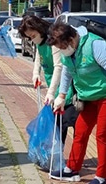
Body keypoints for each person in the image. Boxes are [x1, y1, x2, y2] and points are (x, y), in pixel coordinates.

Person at [47, 22, 106, 184]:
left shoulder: (94, 45)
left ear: (71, 39)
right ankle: (72, 169)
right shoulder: (67, 52)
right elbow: (67, 72)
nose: (62, 50)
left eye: (62, 46)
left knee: (103, 134)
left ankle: (102, 178)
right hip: (89, 96)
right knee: (81, 131)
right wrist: (61, 96)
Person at [18, 15, 77, 145]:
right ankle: (57, 151)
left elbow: (59, 67)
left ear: (39, 29)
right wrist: (36, 74)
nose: (32, 40)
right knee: (57, 119)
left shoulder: (53, 41)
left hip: (64, 83)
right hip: (52, 81)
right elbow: (38, 56)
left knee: (64, 119)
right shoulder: (40, 43)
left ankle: (67, 152)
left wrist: (51, 93)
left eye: (33, 36)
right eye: (29, 37)